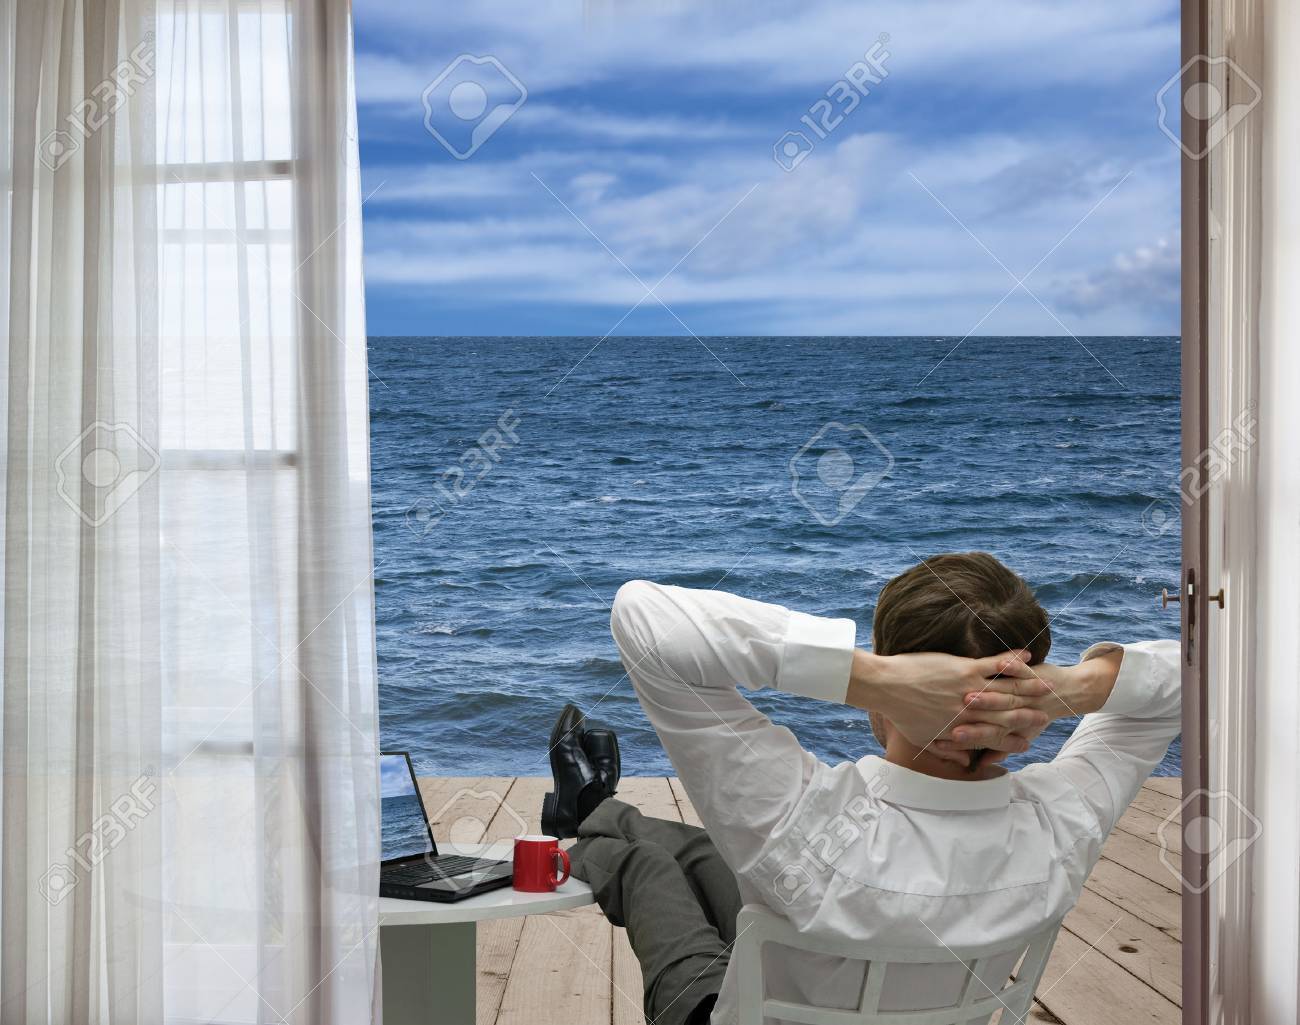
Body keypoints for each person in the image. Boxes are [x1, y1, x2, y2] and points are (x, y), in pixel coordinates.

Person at [540, 552, 1180, 1025]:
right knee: (703, 852)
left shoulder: (808, 822)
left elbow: (644, 618)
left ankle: (592, 819)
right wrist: (1067, 690)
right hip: (835, 952)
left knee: (645, 865)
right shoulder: (1064, 823)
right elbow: (1196, 670)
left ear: (895, 691)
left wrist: (869, 677)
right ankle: (598, 807)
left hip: (717, 1010)